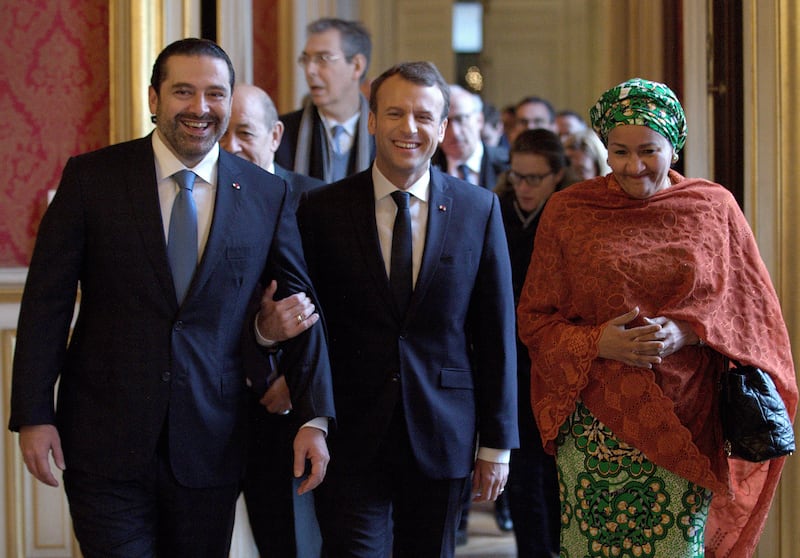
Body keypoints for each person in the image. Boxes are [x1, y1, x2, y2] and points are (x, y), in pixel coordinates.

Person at [8, 38, 335, 558]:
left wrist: (313, 418)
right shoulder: (92, 179)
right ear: (154, 99)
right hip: (102, 438)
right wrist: (33, 414)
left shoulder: (266, 196)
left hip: (213, 440)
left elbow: (301, 309)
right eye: (184, 91)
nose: (200, 108)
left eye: (214, 94)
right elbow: (45, 303)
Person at [516, 78, 798, 557]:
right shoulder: (569, 210)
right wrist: (597, 343)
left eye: (648, 150)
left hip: (688, 416)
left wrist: (687, 330)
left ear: (675, 145)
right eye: (619, 151)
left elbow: (750, 312)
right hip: (594, 424)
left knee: (675, 547)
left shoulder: (712, 207)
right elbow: (535, 320)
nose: (633, 166)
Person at [293, 61, 519, 557]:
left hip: (443, 432)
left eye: (423, 116)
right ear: (371, 120)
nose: (408, 128)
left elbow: (496, 331)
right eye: (394, 113)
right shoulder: (321, 210)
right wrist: (311, 419)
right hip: (350, 430)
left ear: (441, 128)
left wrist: (496, 444)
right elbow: (313, 329)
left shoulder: (478, 209)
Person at [220, 83, 325, 558]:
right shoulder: (199, 198)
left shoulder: (317, 202)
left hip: (290, 412)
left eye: (244, 132)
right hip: (210, 405)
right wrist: (261, 335)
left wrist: (296, 382)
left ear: (276, 134)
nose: (231, 147)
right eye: (221, 133)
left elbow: (338, 311)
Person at [494, 129, 574, 557]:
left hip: (558, 360)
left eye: (534, 179)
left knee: (556, 474)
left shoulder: (573, 212)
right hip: (513, 360)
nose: (524, 188)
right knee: (522, 472)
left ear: (557, 175)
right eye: (517, 177)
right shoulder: (498, 209)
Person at [276, 18, 375, 182]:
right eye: (306, 60)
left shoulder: (383, 134)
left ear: (357, 66)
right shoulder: (282, 134)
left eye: (323, 59)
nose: (310, 71)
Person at [431, 84, 508, 189]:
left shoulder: (508, 164)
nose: (455, 132)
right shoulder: (425, 168)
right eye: (445, 123)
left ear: (479, 120)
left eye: (461, 119)